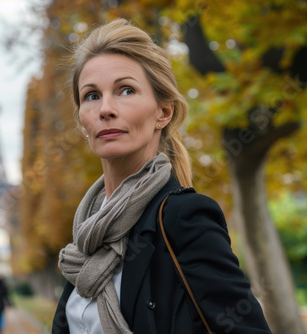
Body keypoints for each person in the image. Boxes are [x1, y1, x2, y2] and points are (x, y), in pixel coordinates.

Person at [52, 18, 271, 334]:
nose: (105, 109)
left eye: (126, 90)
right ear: (82, 122)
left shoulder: (184, 218)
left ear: (163, 112)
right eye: (91, 95)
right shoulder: (88, 233)